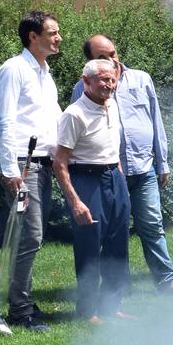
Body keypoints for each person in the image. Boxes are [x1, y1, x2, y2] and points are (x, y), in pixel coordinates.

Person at [74, 35, 173, 296]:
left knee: (152, 225)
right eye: (103, 56)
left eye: (113, 53)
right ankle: (117, 290)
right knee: (110, 233)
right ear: (90, 61)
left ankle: (168, 281)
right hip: (107, 173)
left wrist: (162, 161)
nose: (112, 60)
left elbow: (155, 119)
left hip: (144, 168)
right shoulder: (82, 87)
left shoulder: (141, 79)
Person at [0, 10, 63, 333]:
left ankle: (24, 300)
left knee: (32, 236)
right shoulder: (13, 70)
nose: (59, 38)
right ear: (33, 37)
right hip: (23, 163)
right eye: (53, 32)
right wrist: (9, 170)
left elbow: (53, 119)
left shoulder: (44, 73)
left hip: (43, 163)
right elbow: (3, 122)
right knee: (29, 235)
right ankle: (20, 310)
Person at [54, 59, 132, 322]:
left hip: (114, 178)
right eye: (102, 79)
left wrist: (117, 173)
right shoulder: (74, 114)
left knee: (118, 244)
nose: (109, 85)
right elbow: (60, 162)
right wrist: (75, 201)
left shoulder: (113, 105)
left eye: (112, 79)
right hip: (87, 181)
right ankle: (87, 311)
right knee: (89, 246)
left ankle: (112, 306)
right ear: (85, 81)